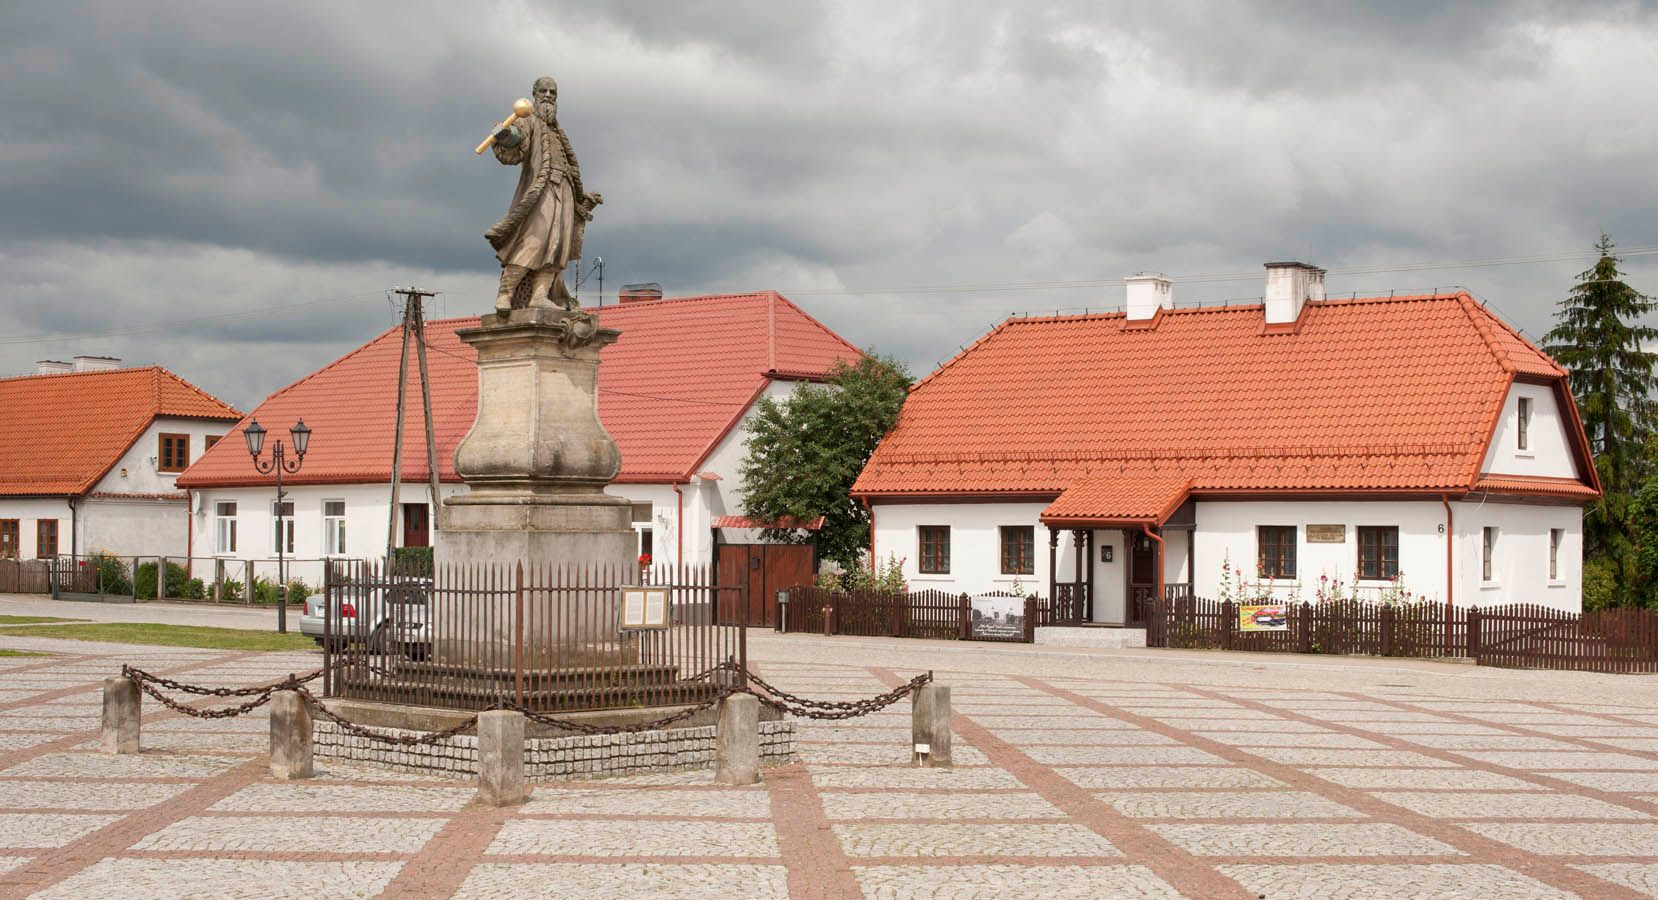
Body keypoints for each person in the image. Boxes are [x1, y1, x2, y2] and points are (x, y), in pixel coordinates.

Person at [486, 75, 602, 311]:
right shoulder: (528, 121)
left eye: (553, 93)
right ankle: (505, 294)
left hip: (565, 190)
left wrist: (581, 196)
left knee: (558, 245)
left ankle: (540, 295)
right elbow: (517, 142)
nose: (548, 96)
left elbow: (571, 165)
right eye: (544, 91)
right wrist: (504, 135)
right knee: (533, 240)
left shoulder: (559, 132)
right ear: (535, 95)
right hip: (542, 189)